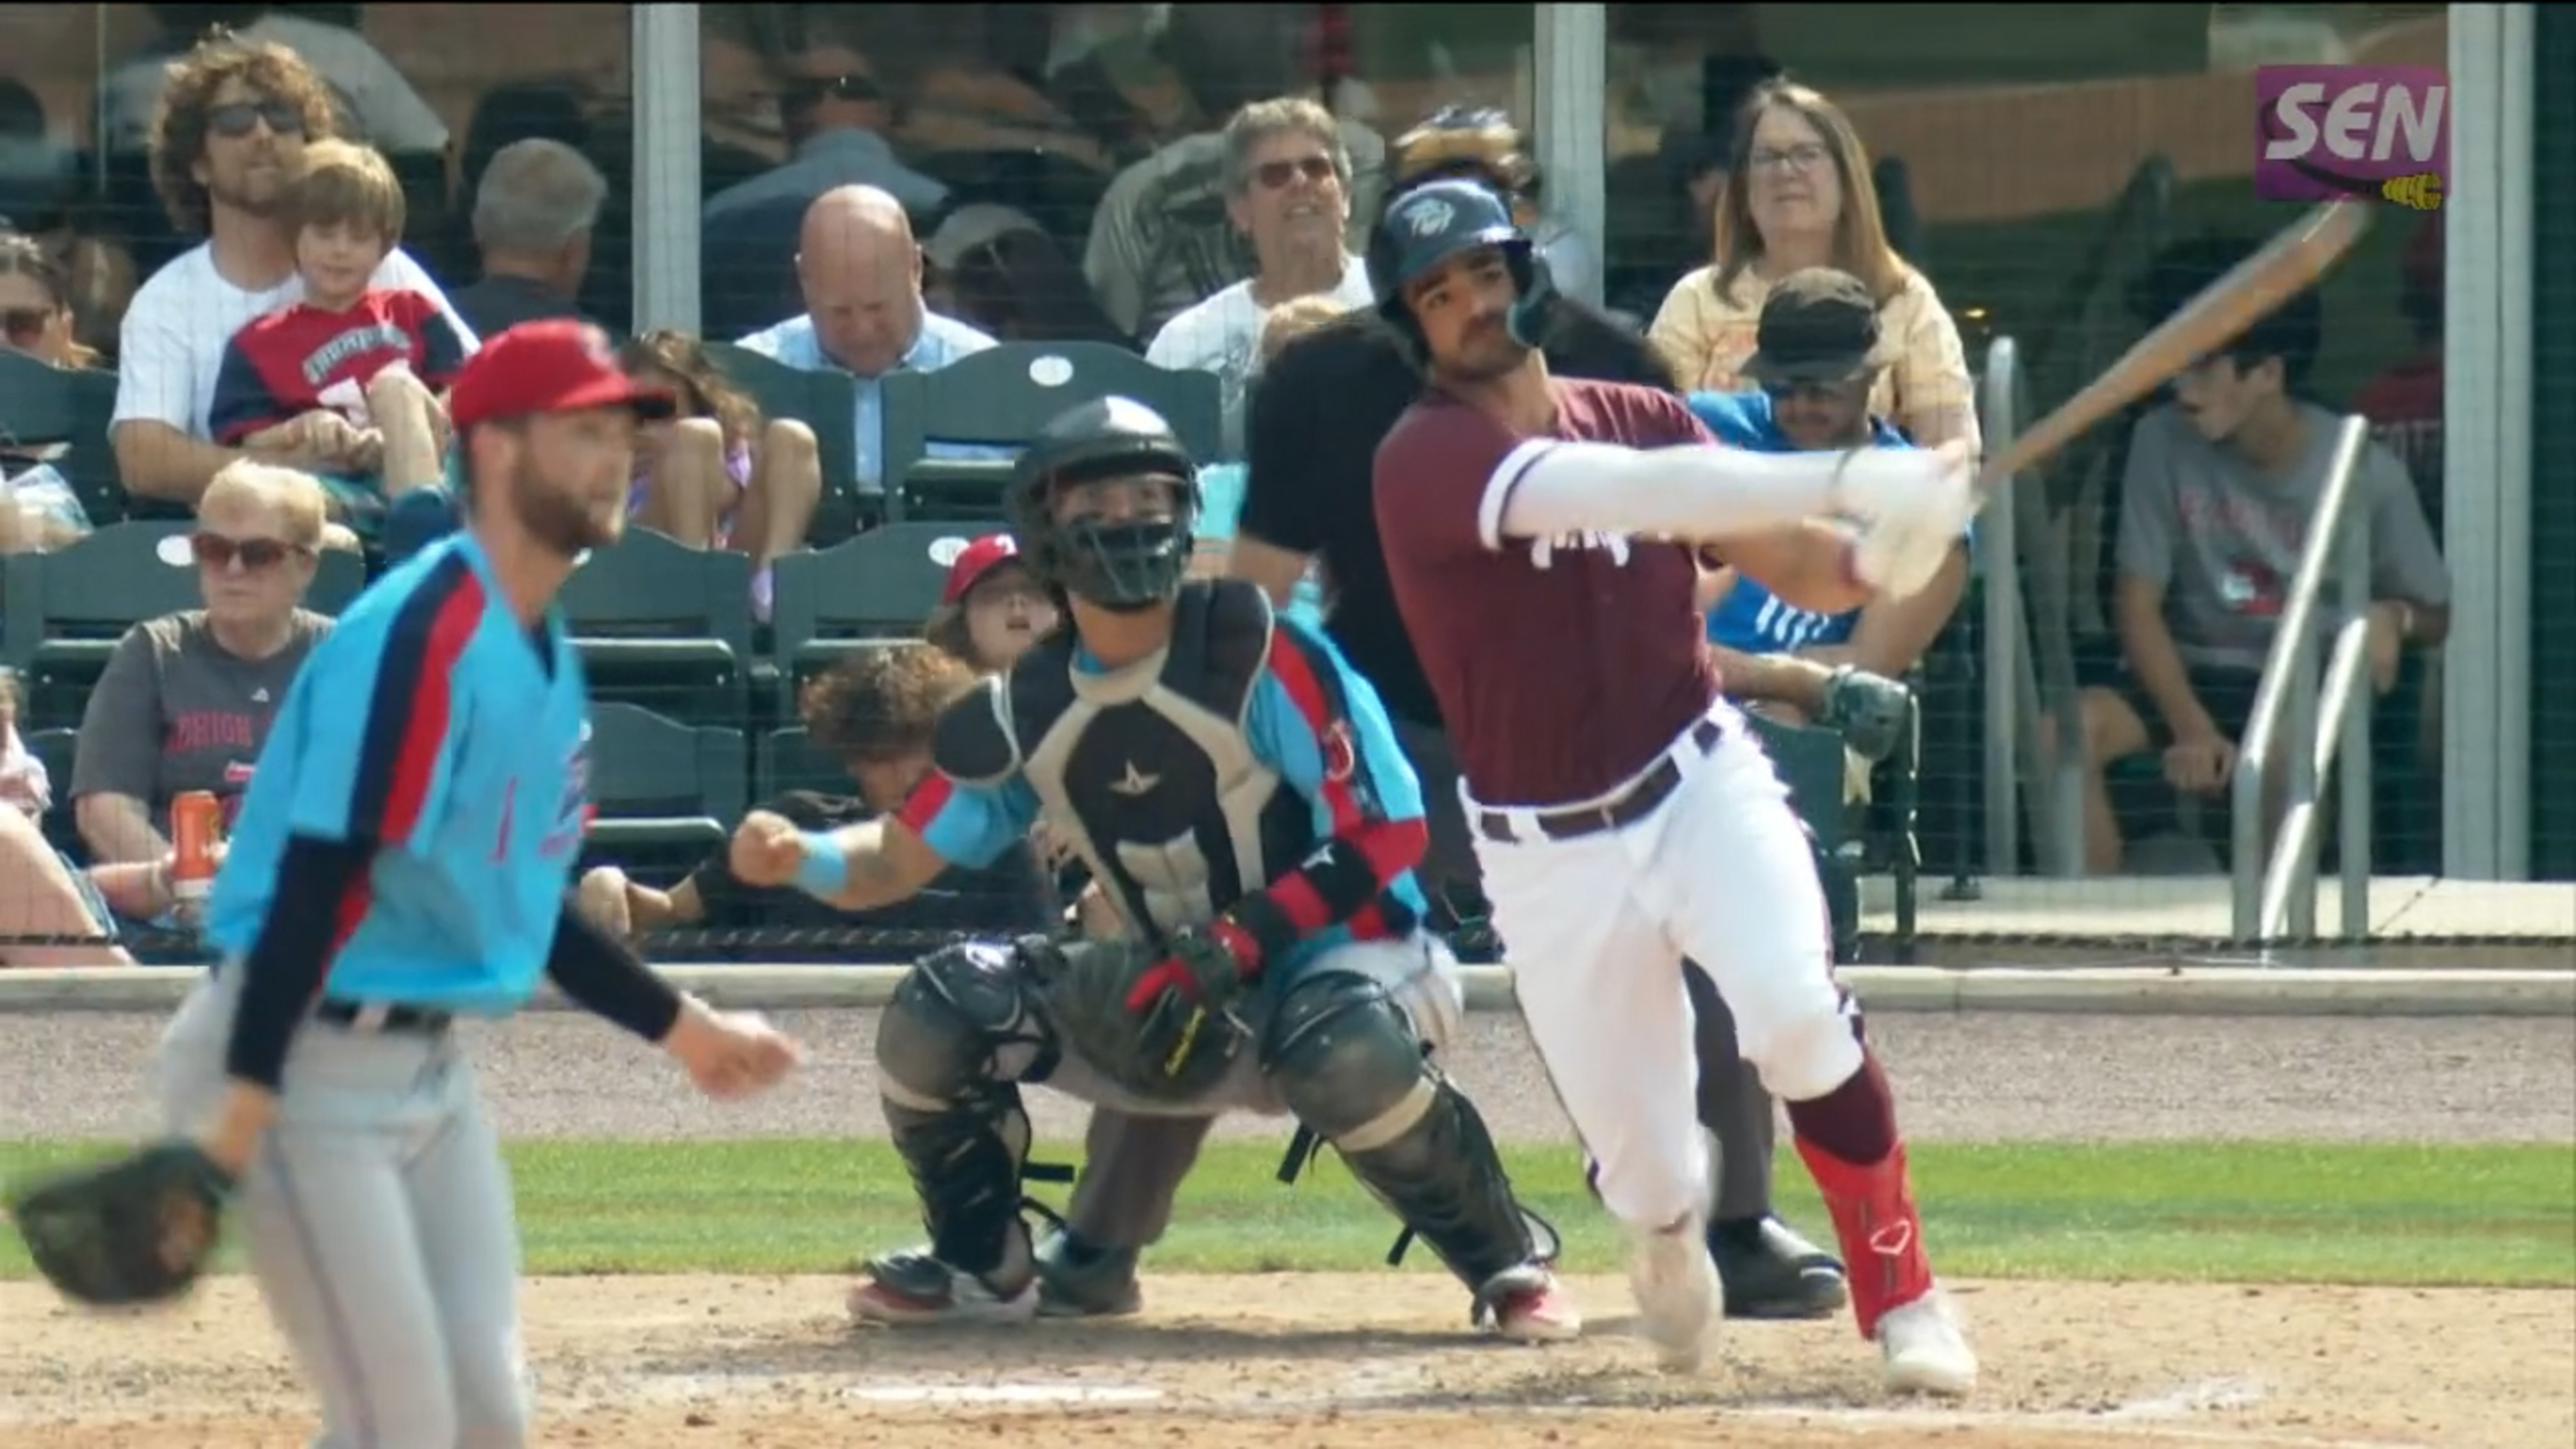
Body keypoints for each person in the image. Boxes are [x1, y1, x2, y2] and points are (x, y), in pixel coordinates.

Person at [726, 396, 1577, 1342]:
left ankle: (1508, 1262)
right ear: (1049, 531)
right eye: (1100, 499)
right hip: (1174, 983)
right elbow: (888, 860)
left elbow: (1390, 833)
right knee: (943, 1002)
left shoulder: (1260, 648)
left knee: (1334, 1037)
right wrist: (798, 854)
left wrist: (1242, 936)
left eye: (1150, 495)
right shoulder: (1022, 707)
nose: (1130, 518)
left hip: (1357, 962)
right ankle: (983, 1264)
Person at [1367, 178, 1981, 1391]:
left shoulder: (1641, 411)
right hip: (1545, 849)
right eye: (1440, 295)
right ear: (1413, 326)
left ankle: (1903, 1291)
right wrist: (1859, 471)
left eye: (1486, 274)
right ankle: (1663, 1239)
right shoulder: (1425, 458)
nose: (1473, 306)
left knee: (1795, 1012)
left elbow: (1810, 568)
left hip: (1696, 775)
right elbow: (1639, 499)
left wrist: (1896, 539)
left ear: (1525, 274)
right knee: (1651, 1172)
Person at [1229, 135, 1848, 1322]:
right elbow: (1260, 594)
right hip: (1393, 735)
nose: (1468, 272)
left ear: (1520, 234)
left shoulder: (1613, 365)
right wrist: (1269, 759)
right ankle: (1496, 1242)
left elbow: (1702, 548)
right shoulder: (1322, 384)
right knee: (1321, 971)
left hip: (1625, 733)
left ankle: (1735, 1223)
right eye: (1432, 231)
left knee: (1717, 945)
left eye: (1488, 225)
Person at [151, 319, 804, 1444]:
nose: (618, 458)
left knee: (485, 1417)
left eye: (623, 434)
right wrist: (245, 1107)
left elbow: (509, 898)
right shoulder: (423, 629)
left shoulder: (535, 641)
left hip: (423, 1075)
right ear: (496, 448)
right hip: (297, 1054)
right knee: (400, 1423)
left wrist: (681, 1028)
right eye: (585, 432)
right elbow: (322, 871)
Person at [2072, 238, 2449, 874]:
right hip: (2188, 675)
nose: (2179, 388)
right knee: (2064, 735)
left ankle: (2273, 944)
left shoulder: (2361, 469)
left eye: (2201, 368)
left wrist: (2391, 617)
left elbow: (2436, 610)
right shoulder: (2157, 440)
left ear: (2267, 373)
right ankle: (2088, 928)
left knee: (2278, 762)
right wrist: (2189, 726)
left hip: (2296, 683)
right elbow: (2135, 606)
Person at [110, 33, 473, 508]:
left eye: (281, 118)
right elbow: (145, 460)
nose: (263, 134)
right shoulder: (168, 302)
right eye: (235, 121)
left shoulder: (383, 268)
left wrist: (414, 433)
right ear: (198, 163)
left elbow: (483, 384)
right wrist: (294, 468)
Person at [578, 644, 1058, 949]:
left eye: (922, 745)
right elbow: (668, 913)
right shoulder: (789, 825)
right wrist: (608, 885)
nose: (908, 770)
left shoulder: (996, 847)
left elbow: (1043, 966)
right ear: (851, 757)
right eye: (882, 752)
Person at [1648, 78, 1976, 451]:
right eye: (1768, 157)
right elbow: (1654, 433)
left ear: (1846, 175)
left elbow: (1951, 450)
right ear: (1743, 186)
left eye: (1806, 154)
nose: (1786, 171)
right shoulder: (1697, 300)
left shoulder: (1904, 298)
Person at [206, 137, 465, 533]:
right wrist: (305, 429)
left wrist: (399, 433)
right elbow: (245, 443)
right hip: (336, 489)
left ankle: (419, 536)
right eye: (326, 235)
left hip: (435, 476)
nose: (341, 250)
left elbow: (460, 397)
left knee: (394, 385)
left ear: (384, 246)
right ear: (295, 237)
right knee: (268, 497)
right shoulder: (257, 344)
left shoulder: (415, 312)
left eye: (359, 238)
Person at [1142, 97, 1376, 457]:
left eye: (1316, 168)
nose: (1300, 182)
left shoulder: (1398, 301)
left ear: (1345, 196)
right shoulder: (1184, 344)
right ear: (1240, 210)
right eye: (1275, 175)